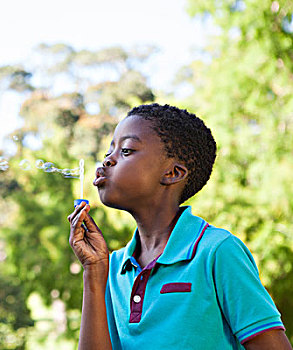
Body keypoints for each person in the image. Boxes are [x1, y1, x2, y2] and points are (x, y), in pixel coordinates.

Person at [67, 104, 292, 349]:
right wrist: (94, 271)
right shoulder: (113, 269)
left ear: (173, 172)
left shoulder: (217, 252)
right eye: (110, 150)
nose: (108, 160)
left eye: (127, 150)